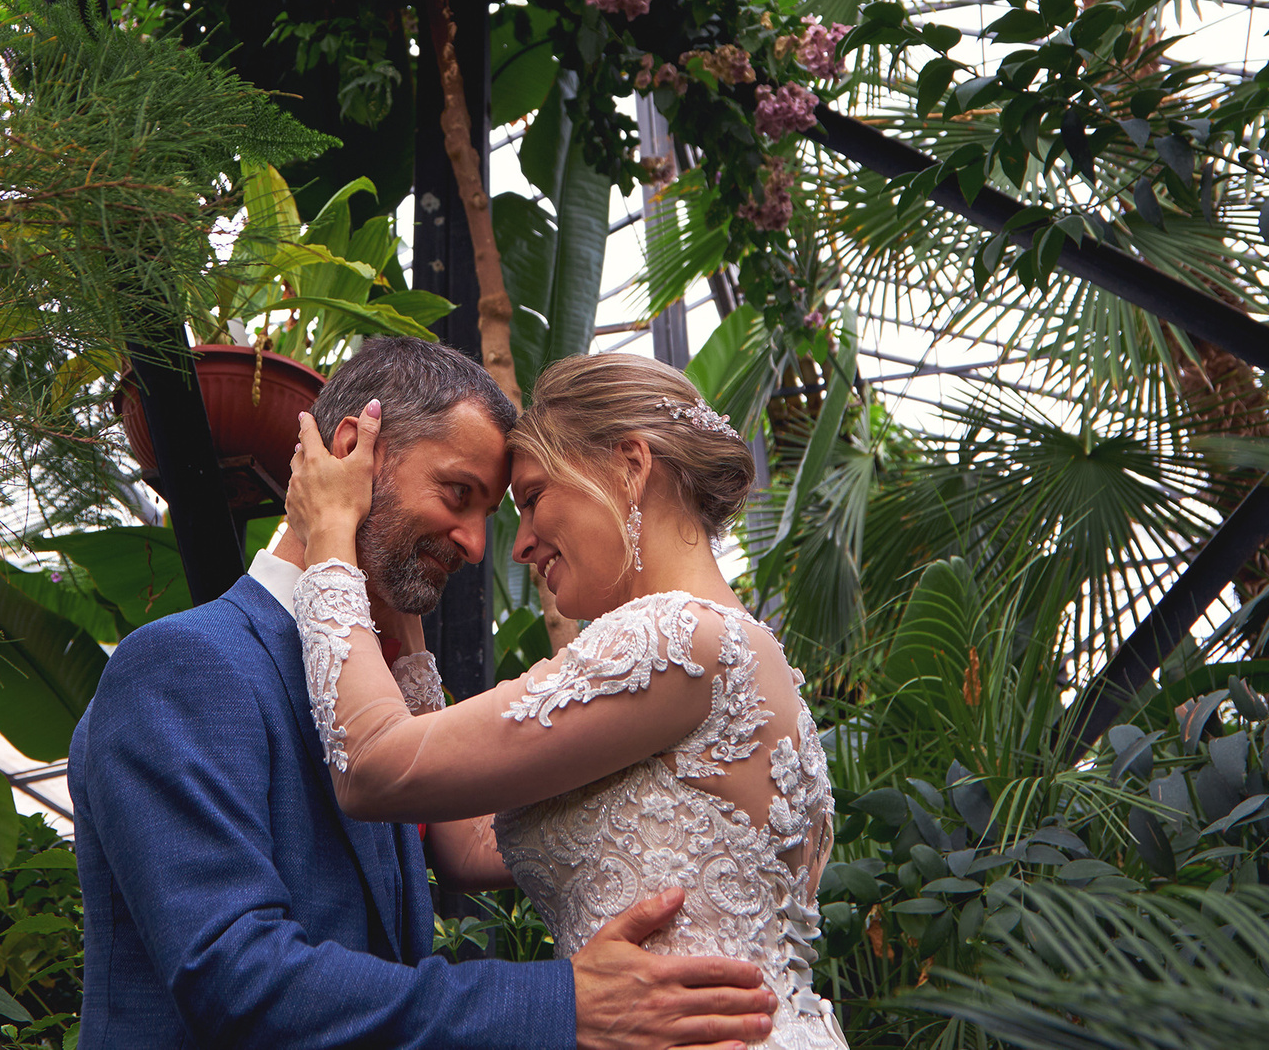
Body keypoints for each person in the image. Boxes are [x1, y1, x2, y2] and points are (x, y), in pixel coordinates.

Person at [68, 336, 784, 1050]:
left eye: (504, 509)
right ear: (354, 450)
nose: (479, 545)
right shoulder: (186, 663)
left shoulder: (372, 697)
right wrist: (558, 1002)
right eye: (458, 495)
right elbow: (237, 978)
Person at [283, 351, 848, 1050]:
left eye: (532, 497)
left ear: (630, 464)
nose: (517, 544)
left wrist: (334, 532)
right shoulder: (729, 649)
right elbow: (465, 842)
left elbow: (371, 764)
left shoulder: (673, 637)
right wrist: (403, 609)